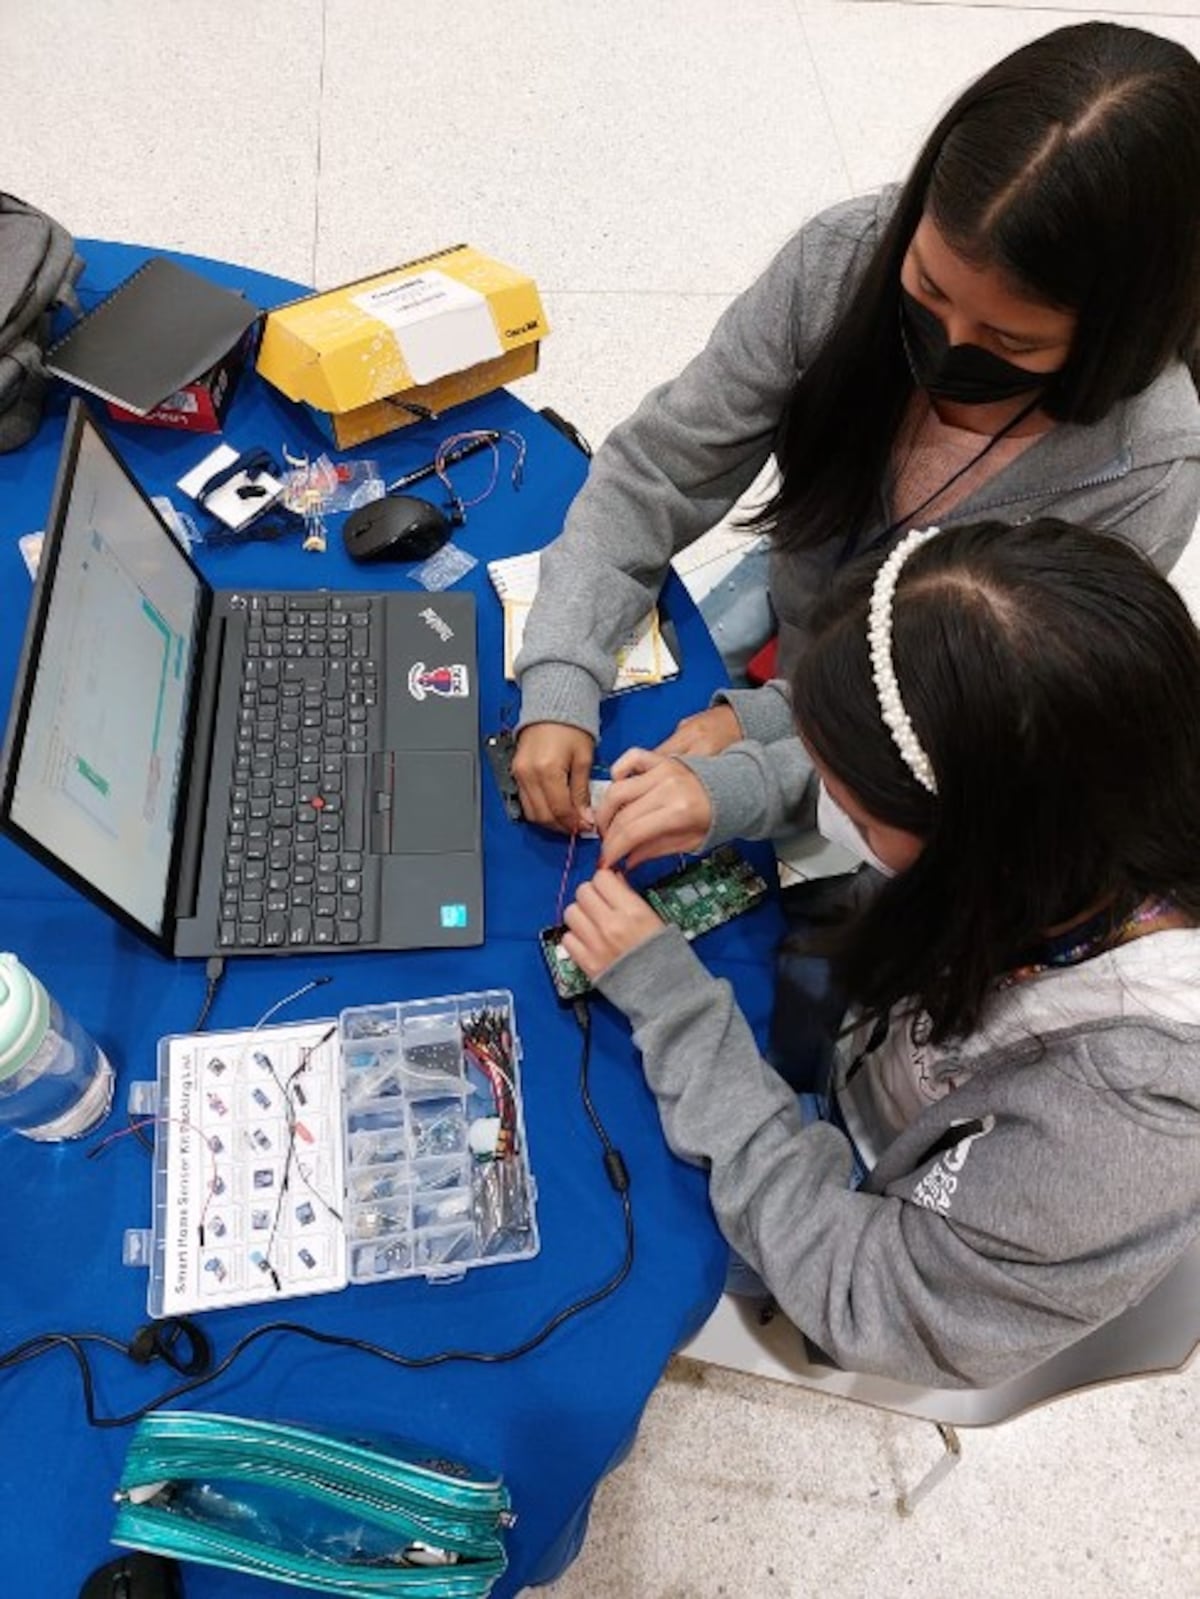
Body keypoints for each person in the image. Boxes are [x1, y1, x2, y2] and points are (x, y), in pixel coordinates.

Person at [512, 21, 1200, 851]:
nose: (949, 345)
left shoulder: (1149, 469)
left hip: (895, 742)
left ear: (1117, 334)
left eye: (1011, 341)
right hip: (801, 604)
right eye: (928, 289)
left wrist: (766, 747)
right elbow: (659, 467)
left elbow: (968, 731)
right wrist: (558, 675)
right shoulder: (843, 261)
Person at [560, 519, 1200, 1388]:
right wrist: (726, 789)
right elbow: (876, 749)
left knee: (578, 1202)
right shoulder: (1093, 788)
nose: (829, 816)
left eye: (857, 818)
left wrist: (677, 1007)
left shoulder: (1121, 1130)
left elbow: (861, 1294)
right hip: (867, 1043)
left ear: (979, 852)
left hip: (848, 1231)